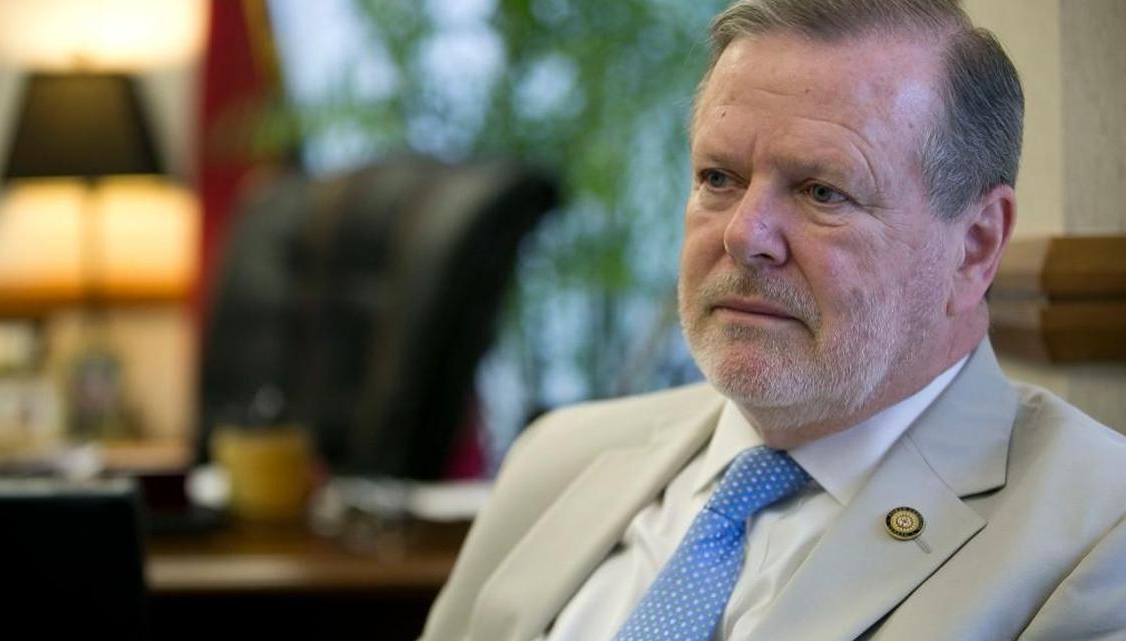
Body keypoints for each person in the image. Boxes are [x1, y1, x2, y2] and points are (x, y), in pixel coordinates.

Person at [419, 1, 1126, 640]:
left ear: (974, 247)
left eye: (823, 191)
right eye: (718, 178)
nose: (744, 234)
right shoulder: (558, 459)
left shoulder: (1096, 537)